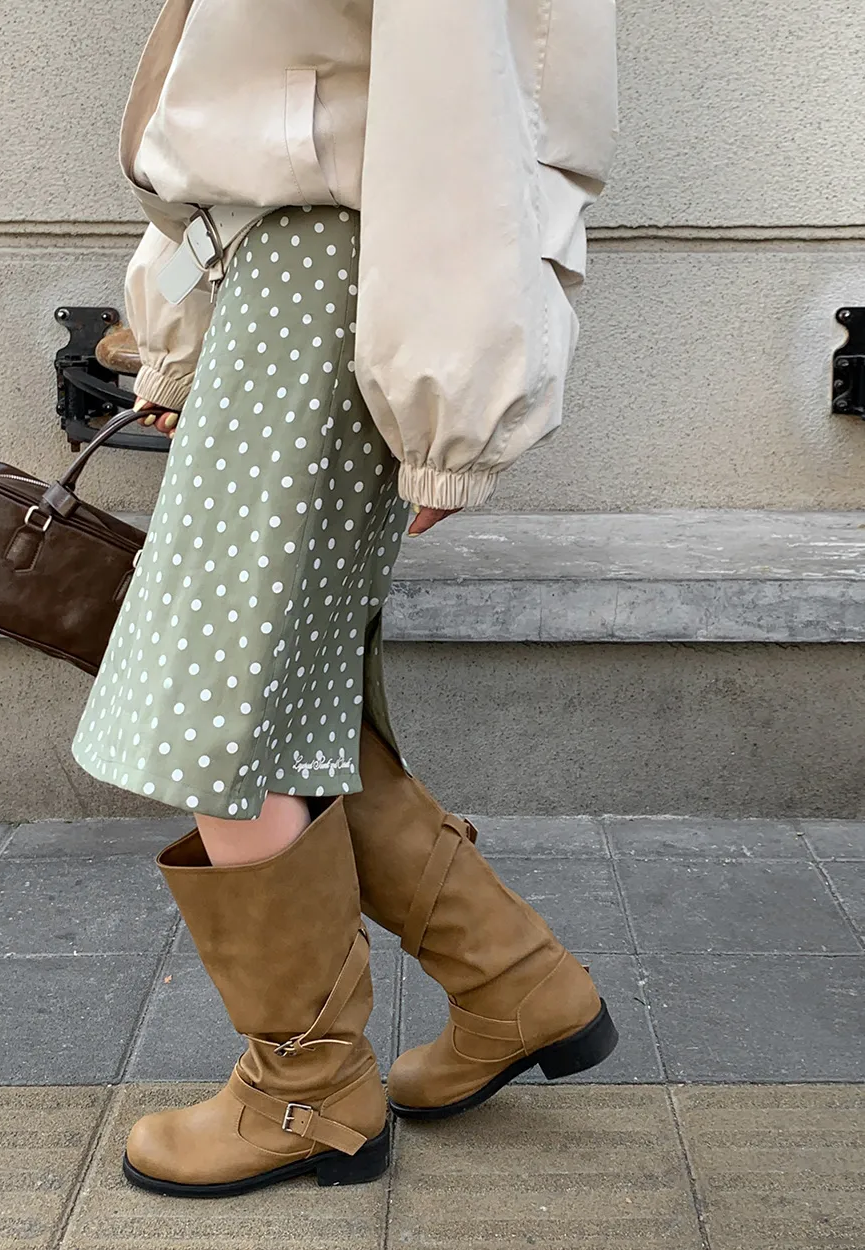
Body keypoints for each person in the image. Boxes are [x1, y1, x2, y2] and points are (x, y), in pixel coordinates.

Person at [72, 0, 620, 1200]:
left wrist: (450, 417)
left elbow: (455, 111)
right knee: (281, 694)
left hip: (328, 272)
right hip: (288, 267)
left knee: (217, 704)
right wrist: (181, 329)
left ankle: (305, 1088)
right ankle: (514, 981)